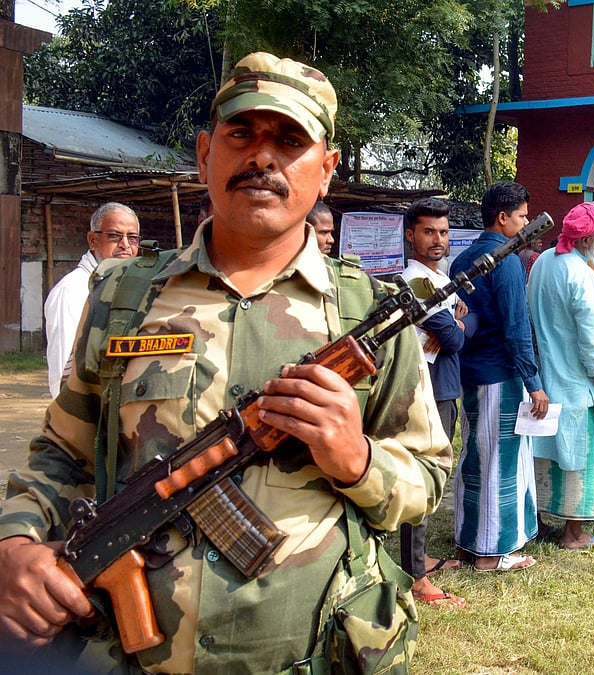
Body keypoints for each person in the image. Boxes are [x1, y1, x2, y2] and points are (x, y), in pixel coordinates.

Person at [1, 52, 451, 671]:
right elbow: (62, 452)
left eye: (290, 141)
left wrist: (357, 459)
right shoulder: (121, 296)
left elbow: (427, 478)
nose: (262, 157)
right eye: (242, 134)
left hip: (312, 657)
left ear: (327, 170)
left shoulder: (367, 317)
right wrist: (16, 541)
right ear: (205, 153)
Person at [452, 180, 547, 572]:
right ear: (503, 217)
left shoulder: (461, 259)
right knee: (501, 461)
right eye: (522, 216)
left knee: (475, 456)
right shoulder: (506, 260)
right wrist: (534, 383)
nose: (526, 223)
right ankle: (492, 552)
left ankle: (470, 539)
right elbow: (516, 326)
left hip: (470, 371)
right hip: (500, 374)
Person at [528, 202, 594, 550]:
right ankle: (574, 533)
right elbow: (593, 346)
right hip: (579, 383)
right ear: (585, 240)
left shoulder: (543, 262)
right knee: (582, 456)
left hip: (545, 375)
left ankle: (538, 522)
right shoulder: (584, 276)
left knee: (544, 453)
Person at [400, 197, 472, 610]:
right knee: (422, 478)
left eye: (443, 232)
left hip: (444, 385)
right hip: (426, 389)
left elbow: (461, 327)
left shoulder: (438, 279)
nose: (438, 239)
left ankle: (419, 560)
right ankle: (415, 577)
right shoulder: (416, 281)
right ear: (411, 235)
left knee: (433, 478)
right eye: (428, 231)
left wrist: (459, 322)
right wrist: (458, 323)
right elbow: (455, 338)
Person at [43, 202, 141, 398]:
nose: (125, 245)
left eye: (132, 238)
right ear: (92, 240)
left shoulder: (130, 286)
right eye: (114, 236)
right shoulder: (72, 290)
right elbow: (62, 368)